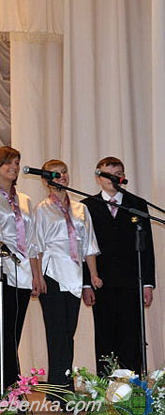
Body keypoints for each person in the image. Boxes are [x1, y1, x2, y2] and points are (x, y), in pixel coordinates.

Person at [81, 157, 155, 375]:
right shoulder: (88, 206)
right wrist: (86, 284)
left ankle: (132, 382)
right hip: (101, 282)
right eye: (108, 174)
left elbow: (147, 247)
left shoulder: (137, 204)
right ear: (98, 178)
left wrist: (147, 283)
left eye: (118, 174)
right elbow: (84, 247)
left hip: (132, 281)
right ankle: (106, 384)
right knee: (105, 334)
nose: (113, 179)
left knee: (131, 334)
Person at [33, 159, 101, 394]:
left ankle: (65, 385)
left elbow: (89, 246)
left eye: (63, 172)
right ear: (45, 181)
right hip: (52, 274)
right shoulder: (41, 209)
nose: (61, 177)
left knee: (68, 333)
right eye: (55, 174)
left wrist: (93, 277)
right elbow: (37, 246)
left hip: (74, 276)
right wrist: (38, 277)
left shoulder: (81, 209)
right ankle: (58, 389)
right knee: (56, 333)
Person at [0, 146, 39, 388]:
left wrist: (36, 275)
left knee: (14, 332)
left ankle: (5, 386)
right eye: (9, 162)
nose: (14, 167)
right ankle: (8, 387)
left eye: (17, 162)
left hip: (24, 271)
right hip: (1, 270)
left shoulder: (25, 200)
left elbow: (33, 240)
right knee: (3, 333)